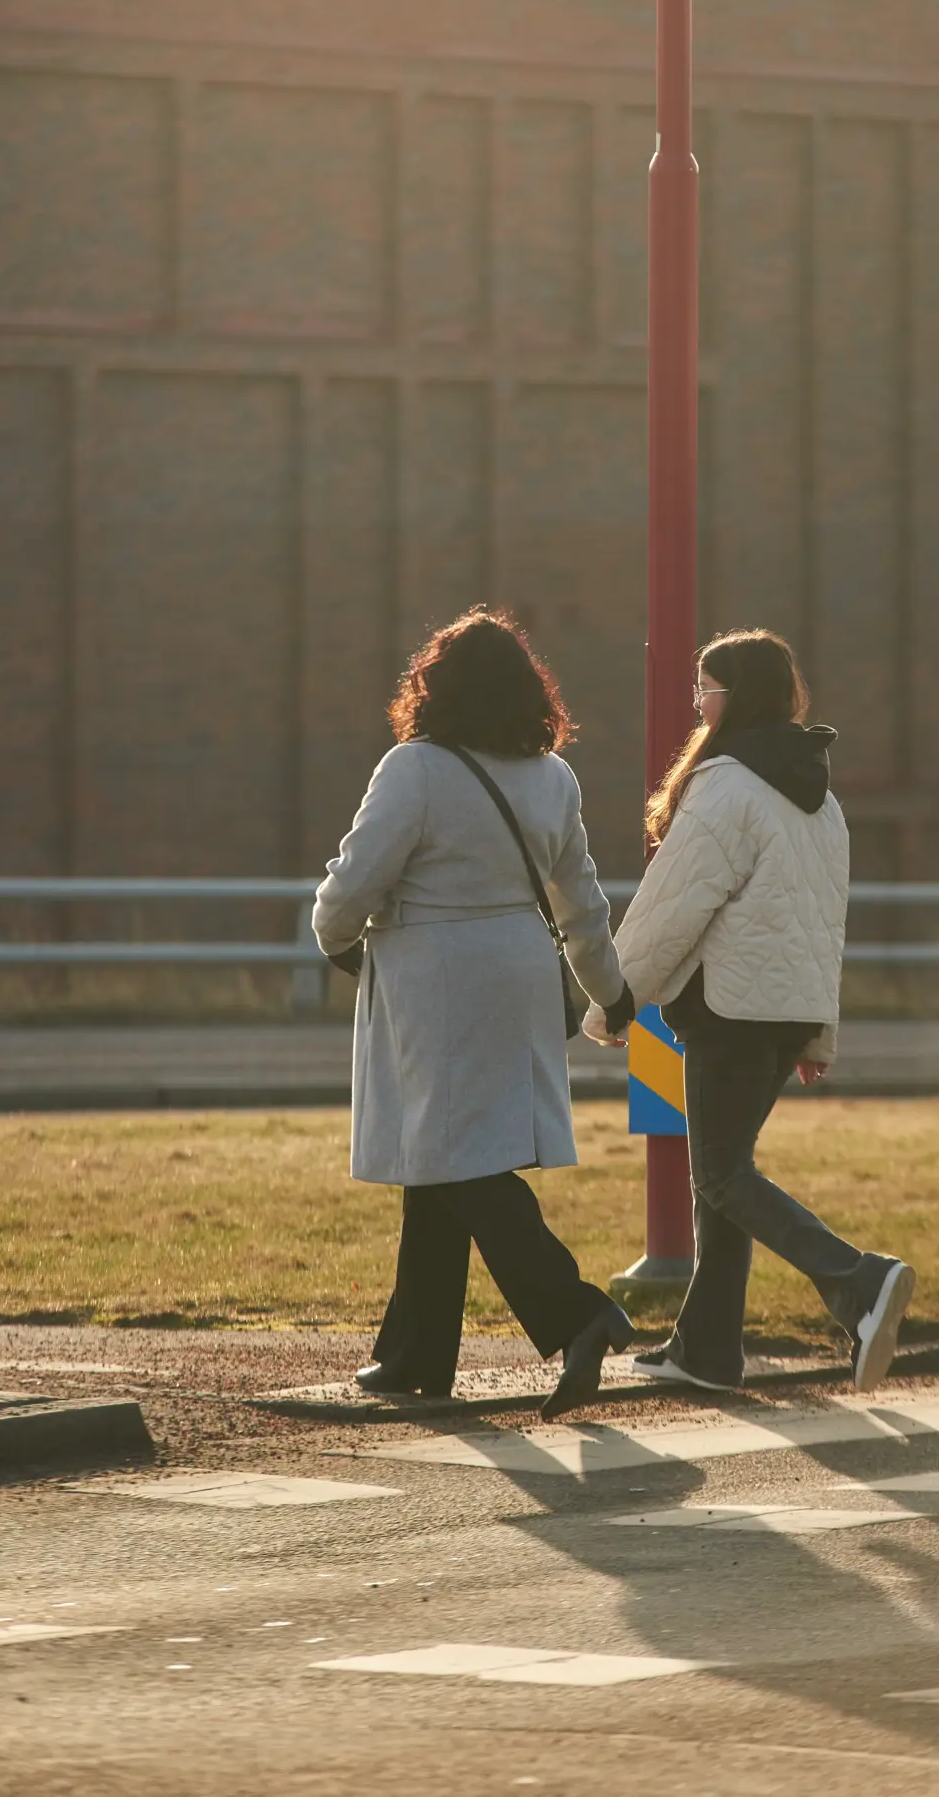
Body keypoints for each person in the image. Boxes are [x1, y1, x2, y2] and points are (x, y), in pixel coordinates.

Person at [313, 608, 636, 1420]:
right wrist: (610, 989)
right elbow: (582, 903)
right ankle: (414, 1354)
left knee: (456, 1159)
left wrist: (335, 938)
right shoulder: (553, 778)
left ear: (434, 687)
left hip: (436, 978)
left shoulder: (414, 770)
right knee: (443, 1153)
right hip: (520, 972)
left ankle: (576, 1312)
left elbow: (353, 882)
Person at [585, 627, 915, 1394]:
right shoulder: (820, 800)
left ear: (733, 697)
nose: (696, 702)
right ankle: (706, 1351)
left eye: (704, 688)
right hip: (784, 1012)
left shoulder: (726, 787)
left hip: (729, 1011)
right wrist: (818, 1030)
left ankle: (859, 1281)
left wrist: (613, 1002)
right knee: (724, 1175)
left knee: (723, 1175)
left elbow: (673, 907)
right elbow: (824, 925)